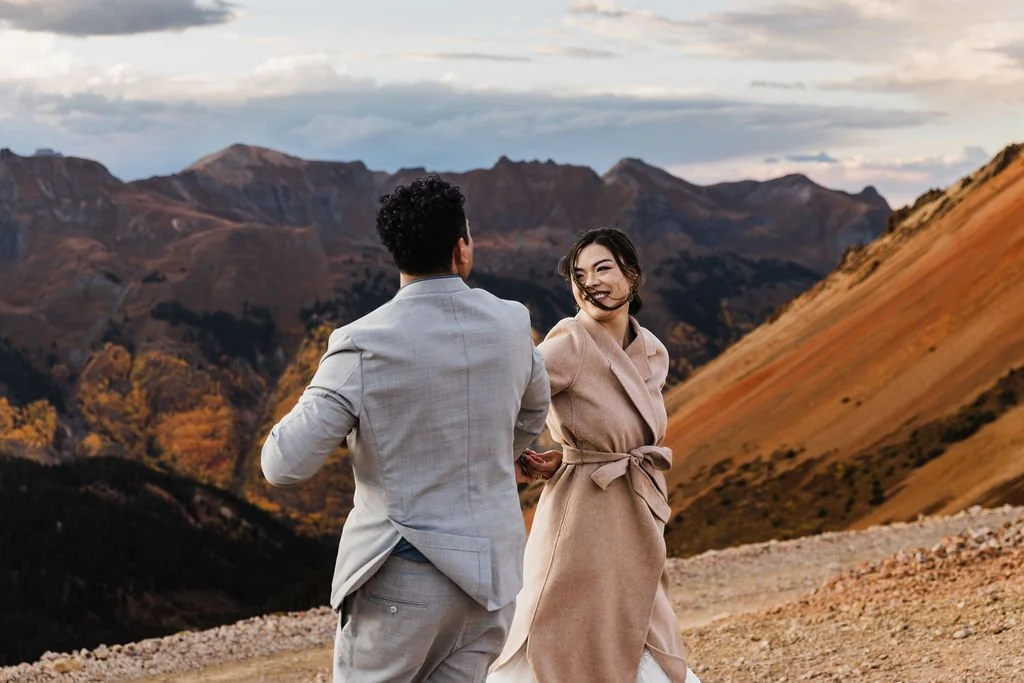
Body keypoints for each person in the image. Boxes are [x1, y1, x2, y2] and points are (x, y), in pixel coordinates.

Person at [261, 175, 551, 683]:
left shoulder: (362, 343)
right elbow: (534, 410)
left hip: (402, 577)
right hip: (492, 579)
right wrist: (491, 456)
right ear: (461, 249)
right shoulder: (511, 323)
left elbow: (283, 465)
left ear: (396, 253)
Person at [488, 228, 702, 683]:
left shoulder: (652, 351)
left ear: (631, 274)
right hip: (582, 512)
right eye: (578, 275)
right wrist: (522, 453)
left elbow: (623, 422)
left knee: (638, 614)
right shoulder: (569, 341)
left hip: (635, 504)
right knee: (559, 623)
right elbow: (506, 393)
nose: (590, 282)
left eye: (602, 268)